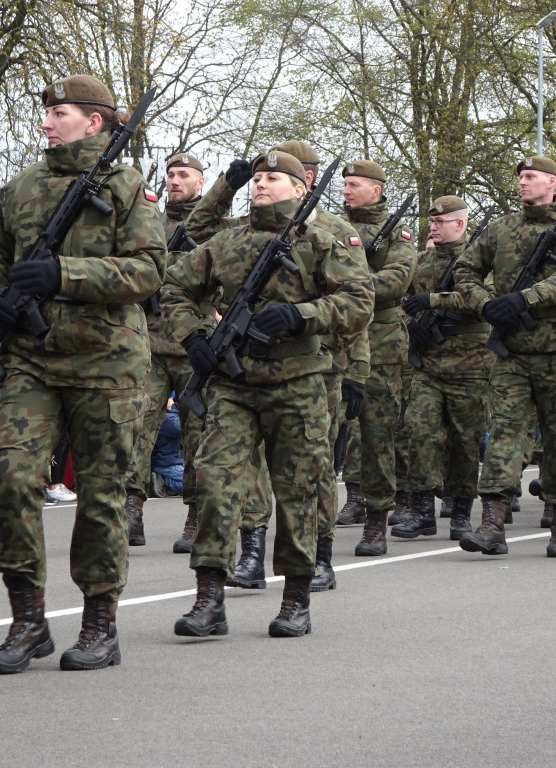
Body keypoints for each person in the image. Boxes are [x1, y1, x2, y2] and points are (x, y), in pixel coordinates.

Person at [0, 74, 166, 673]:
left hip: (108, 365)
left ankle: (100, 624)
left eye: (60, 112)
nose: (48, 121)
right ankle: (28, 620)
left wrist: (65, 275)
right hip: (32, 359)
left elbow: (149, 270)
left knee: (101, 494)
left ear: (95, 122)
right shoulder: (21, 186)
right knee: (10, 474)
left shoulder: (128, 188)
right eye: (46, 111)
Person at [162, 150, 372, 638]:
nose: (260, 185)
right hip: (233, 387)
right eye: (257, 178)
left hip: (298, 383)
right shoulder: (227, 240)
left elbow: (359, 300)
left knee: (298, 490)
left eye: (273, 178)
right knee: (215, 484)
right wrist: (193, 336)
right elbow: (176, 286)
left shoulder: (322, 240)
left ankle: (296, 598)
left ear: (300, 189)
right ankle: (209, 600)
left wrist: (304, 315)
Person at [453, 155, 556, 558]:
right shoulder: (501, 228)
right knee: (505, 432)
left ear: (552, 182)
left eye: (531, 177)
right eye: (520, 177)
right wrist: (487, 306)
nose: (523, 183)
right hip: (512, 349)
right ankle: (492, 522)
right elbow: (465, 270)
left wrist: (525, 298)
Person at [123, 152, 206, 550]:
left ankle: (196, 516)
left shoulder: (210, 225)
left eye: (184, 174)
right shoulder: (150, 222)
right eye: (171, 174)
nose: (175, 180)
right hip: (152, 344)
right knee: (137, 425)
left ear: (200, 183)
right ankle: (131, 509)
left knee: (197, 434)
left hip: (194, 346)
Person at [400, 195, 491, 541]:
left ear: (460, 224)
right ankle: (422, 511)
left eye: (441, 222)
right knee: (420, 432)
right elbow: (401, 302)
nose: (434, 227)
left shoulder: (480, 261)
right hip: (429, 363)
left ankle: (461, 513)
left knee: (466, 442)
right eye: (432, 222)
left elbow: (482, 300)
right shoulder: (420, 262)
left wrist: (433, 302)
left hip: (470, 363)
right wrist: (413, 326)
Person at [340, 160, 414, 556]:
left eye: (354, 185)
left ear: (377, 190)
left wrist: (349, 283)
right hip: (336, 340)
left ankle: (376, 520)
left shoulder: (397, 235)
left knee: (377, 436)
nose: (347, 191)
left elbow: (397, 281)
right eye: (345, 184)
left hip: (381, 344)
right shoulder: (333, 228)